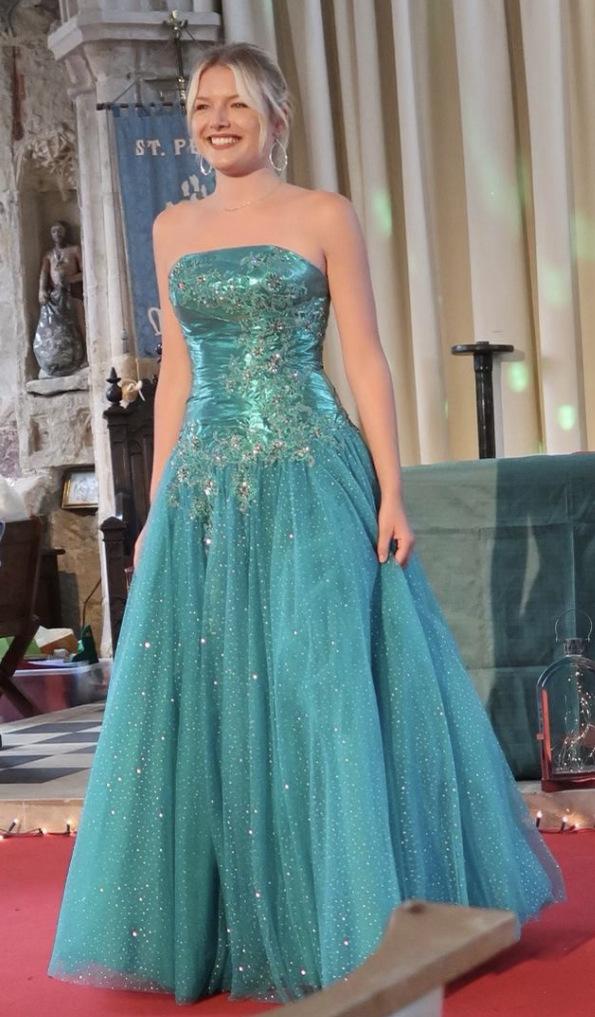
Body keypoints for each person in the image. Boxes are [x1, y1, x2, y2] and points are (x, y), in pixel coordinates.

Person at [48, 42, 563, 1005]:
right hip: (206, 488)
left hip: (310, 472)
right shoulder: (170, 226)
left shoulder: (323, 214)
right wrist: (155, 505)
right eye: (203, 106)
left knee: (319, 680)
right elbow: (177, 376)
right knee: (216, 686)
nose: (217, 120)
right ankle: (230, 920)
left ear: (276, 117)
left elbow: (363, 357)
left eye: (236, 104)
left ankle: (354, 918)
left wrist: (393, 489)